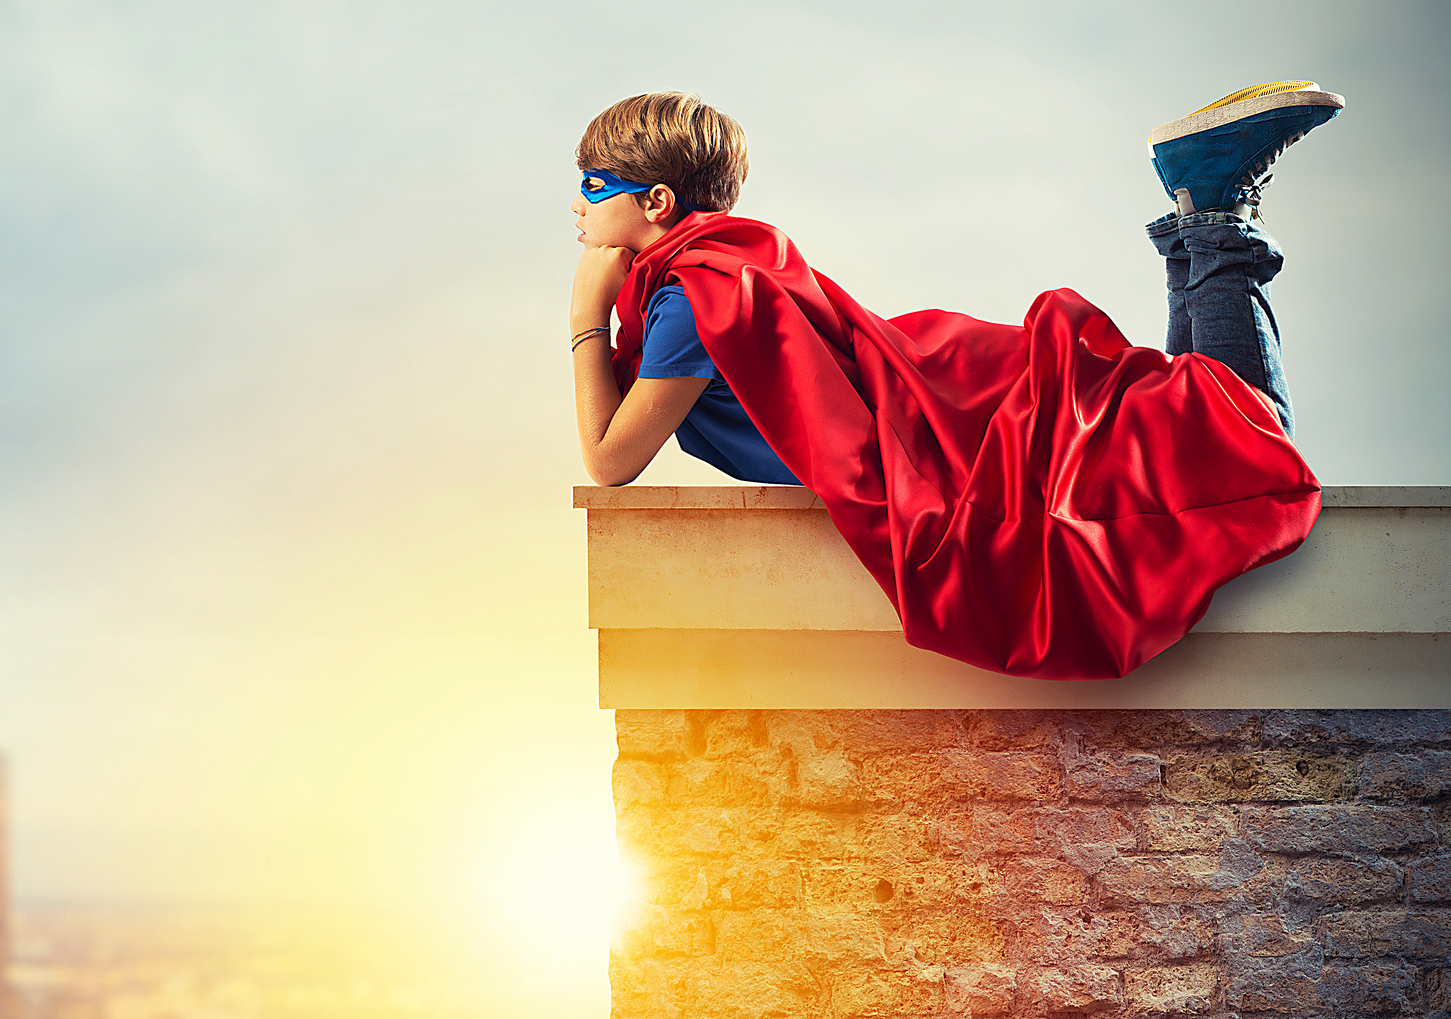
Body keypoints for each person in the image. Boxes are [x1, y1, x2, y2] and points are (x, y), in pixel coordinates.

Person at [560, 86, 1337, 679]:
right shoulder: (712, 272)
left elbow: (611, 459)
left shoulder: (694, 297)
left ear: (656, 202)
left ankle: (1215, 211)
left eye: (594, 187)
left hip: (964, 434)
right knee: (1201, 426)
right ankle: (1203, 201)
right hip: (956, 399)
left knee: (1247, 443)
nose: (577, 207)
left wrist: (584, 313)